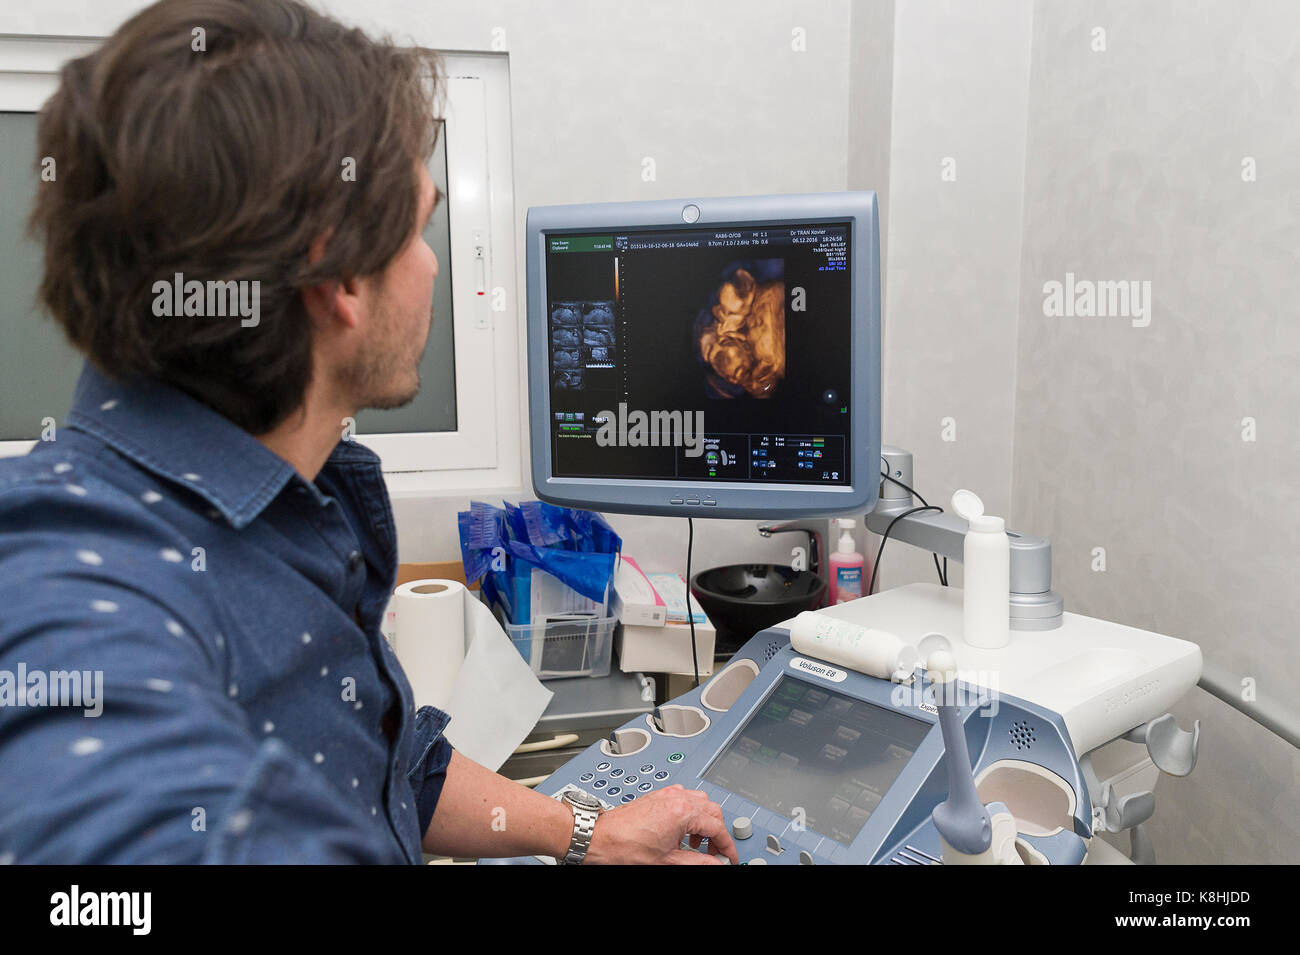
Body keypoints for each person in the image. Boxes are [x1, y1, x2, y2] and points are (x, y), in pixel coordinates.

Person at [0, 0, 737, 865]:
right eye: (420, 230)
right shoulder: (70, 572)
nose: (431, 264)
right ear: (340, 275)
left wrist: (582, 831)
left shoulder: (285, 496)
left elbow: (386, 766)